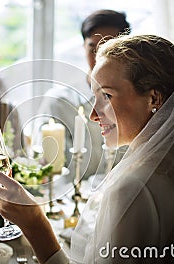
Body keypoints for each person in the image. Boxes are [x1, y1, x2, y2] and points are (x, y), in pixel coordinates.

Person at [0, 34, 174, 263]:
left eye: (107, 96)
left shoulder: (134, 189)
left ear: (154, 98)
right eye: (95, 97)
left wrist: (35, 223)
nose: (93, 114)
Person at [35, 10, 131, 178]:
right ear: (83, 47)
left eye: (108, 49)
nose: (100, 58)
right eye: (93, 49)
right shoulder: (59, 102)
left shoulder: (136, 103)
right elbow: (48, 169)